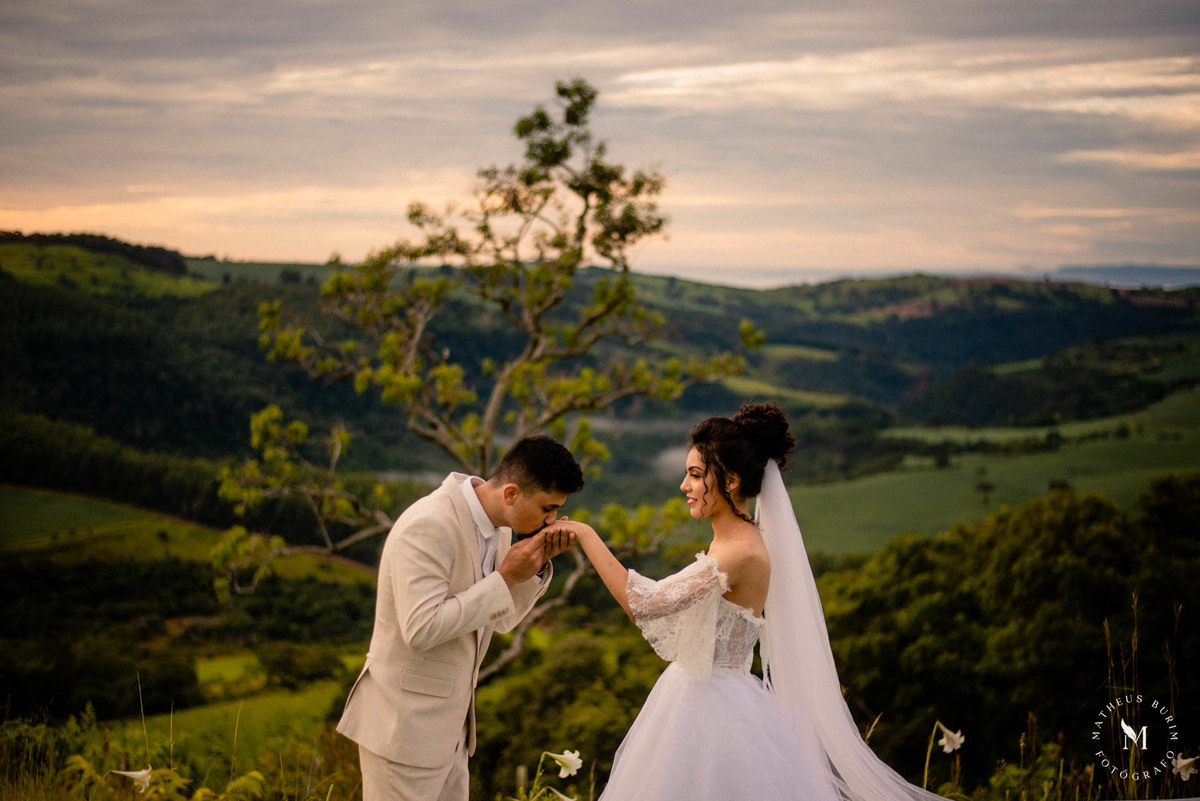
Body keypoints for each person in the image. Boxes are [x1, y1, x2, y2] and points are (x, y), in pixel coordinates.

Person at [552, 402, 945, 801]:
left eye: (695, 475)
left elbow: (645, 603)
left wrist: (586, 535)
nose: (684, 486)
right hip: (704, 698)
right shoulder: (730, 539)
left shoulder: (739, 552)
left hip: (712, 711)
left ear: (732, 480)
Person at [337, 435, 584, 801]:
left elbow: (498, 621)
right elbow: (420, 630)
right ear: (512, 494)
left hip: (452, 736)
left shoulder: (499, 528)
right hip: (402, 733)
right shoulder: (429, 524)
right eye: (548, 508)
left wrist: (534, 569)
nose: (551, 521)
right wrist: (506, 578)